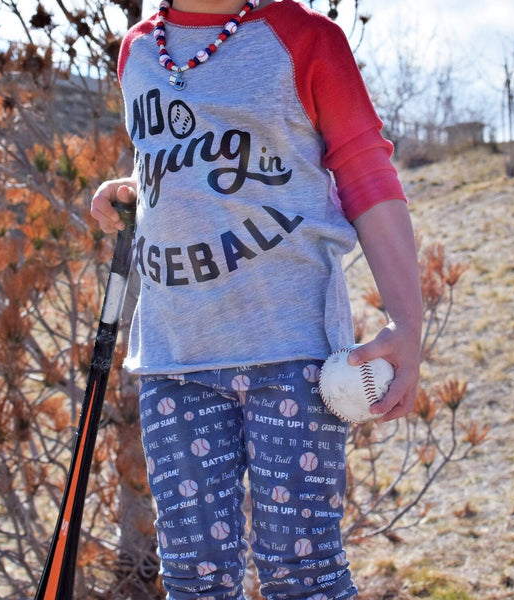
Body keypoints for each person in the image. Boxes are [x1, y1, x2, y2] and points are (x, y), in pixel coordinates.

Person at [91, 1, 422, 598]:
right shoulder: (138, 50)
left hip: (291, 357)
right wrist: (135, 187)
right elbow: (186, 155)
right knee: (194, 579)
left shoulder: (306, 40)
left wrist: (407, 323)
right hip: (176, 361)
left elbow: (366, 173)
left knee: (302, 574)